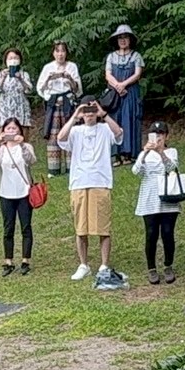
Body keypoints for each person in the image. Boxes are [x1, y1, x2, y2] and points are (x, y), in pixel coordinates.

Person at [58, 99, 124, 285]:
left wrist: (103, 114)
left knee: (103, 227)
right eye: (86, 110)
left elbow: (119, 134)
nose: (89, 113)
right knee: (81, 228)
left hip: (100, 181)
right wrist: (75, 115)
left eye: (92, 110)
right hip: (79, 182)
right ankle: (83, 264)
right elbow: (60, 138)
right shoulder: (75, 131)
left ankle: (104, 264)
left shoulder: (105, 128)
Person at [132, 122, 181, 285]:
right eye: (155, 134)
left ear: (166, 136)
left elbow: (172, 168)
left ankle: (168, 265)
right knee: (151, 234)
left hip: (168, 197)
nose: (158, 137)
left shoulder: (172, 151)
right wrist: (145, 152)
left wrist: (161, 153)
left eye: (161, 134)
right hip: (149, 198)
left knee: (168, 233)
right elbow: (136, 171)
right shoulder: (144, 154)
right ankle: (151, 268)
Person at [0, 118, 37, 275]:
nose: (11, 131)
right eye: (8, 128)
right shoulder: (1, 149)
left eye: (14, 128)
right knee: (8, 227)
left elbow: (31, 161)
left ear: (19, 131)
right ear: (3, 131)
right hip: (5, 192)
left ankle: (25, 260)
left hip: (24, 192)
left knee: (26, 226)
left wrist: (21, 145)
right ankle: (8, 260)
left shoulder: (26, 146)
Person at [37, 41, 83, 176]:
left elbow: (78, 89)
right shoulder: (48, 67)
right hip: (54, 104)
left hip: (68, 103)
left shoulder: (72, 66)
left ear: (66, 53)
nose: (60, 54)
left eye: (63, 51)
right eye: (57, 51)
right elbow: (40, 88)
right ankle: (54, 169)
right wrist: (49, 79)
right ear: (53, 53)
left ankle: (71, 167)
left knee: (70, 133)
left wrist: (69, 79)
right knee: (53, 135)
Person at [105, 26, 146, 164]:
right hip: (114, 95)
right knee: (114, 120)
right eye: (120, 38)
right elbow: (108, 75)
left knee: (130, 120)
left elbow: (137, 74)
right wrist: (117, 85)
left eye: (125, 37)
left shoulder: (136, 56)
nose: (123, 40)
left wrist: (124, 85)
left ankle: (129, 154)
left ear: (130, 39)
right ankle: (115, 155)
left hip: (131, 93)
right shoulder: (111, 57)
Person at [0, 48, 34, 129]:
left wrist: (20, 79)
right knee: (5, 132)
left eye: (16, 58)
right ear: (6, 60)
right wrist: (3, 77)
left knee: (22, 131)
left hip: (21, 107)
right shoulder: (0, 74)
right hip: (5, 107)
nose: (13, 60)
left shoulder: (24, 74)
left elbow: (29, 90)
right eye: (10, 58)